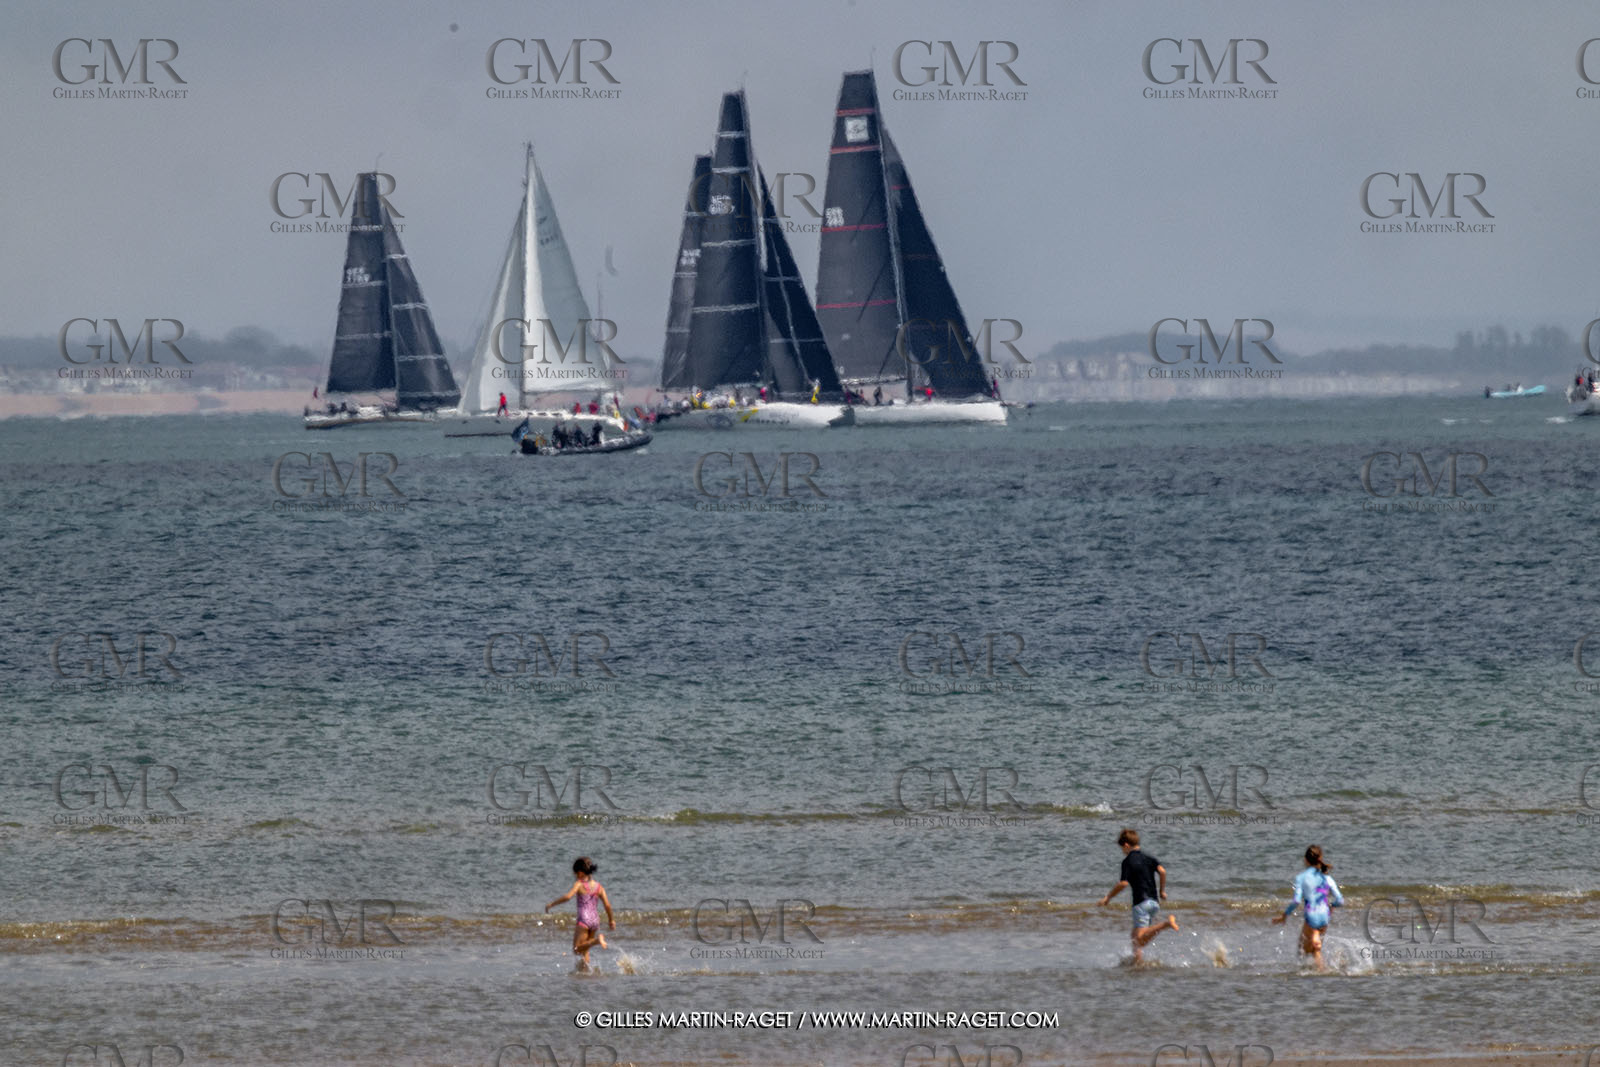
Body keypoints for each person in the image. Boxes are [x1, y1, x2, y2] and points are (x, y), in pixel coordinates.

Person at [1098, 828, 1178, 963]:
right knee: (1135, 939)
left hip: (1141, 904)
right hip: (1154, 903)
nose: (1122, 852)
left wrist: (1108, 898)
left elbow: (1123, 884)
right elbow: (1162, 871)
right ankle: (1137, 962)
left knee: (1139, 939)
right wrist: (1161, 891)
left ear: (1126, 845)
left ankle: (1166, 924)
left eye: (1122, 848)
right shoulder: (1149, 858)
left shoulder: (1128, 861)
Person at [1271, 844, 1343, 971]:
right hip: (1325, 917)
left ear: (1305, 860)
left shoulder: (1301, 878)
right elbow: (1340, 900)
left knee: (1302, 950)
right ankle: (1322, 971)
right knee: (1314, 949)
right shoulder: (1327, 878)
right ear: (1320, 858)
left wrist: (1284, 915)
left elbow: (1296, 901)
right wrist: (1331, 906)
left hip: (1311, 916)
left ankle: (1316, 975)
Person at [546, 856, 615, 970]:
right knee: (584, 950)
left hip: (584, 919)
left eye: (576, 873)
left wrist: (552, 904)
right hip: (595, 920)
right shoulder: (599, 887)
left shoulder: (579, 884)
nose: (575, 875)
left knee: (576, 949)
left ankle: (597, 941)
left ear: (580, 872)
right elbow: (607, 905)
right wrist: (611, 920)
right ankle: (585, 972)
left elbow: (568, 897)